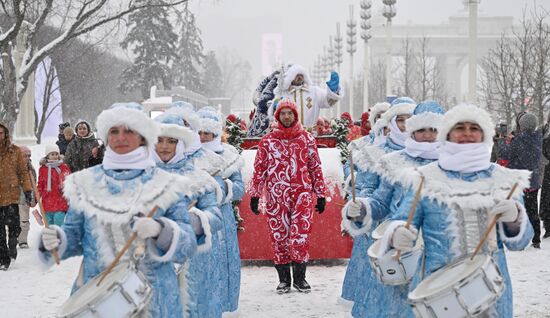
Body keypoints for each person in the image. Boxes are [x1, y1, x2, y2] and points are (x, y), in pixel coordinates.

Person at [38, 103, 198, 317]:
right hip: (97, 298)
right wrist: (57, 240)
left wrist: (162, 230)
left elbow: (187, 246)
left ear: (142, 136)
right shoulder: (83, 183)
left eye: (129, 130)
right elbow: (74, 236)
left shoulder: (166, 184)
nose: (120, 137)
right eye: (114, 131)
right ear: (106, 136)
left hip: (156, 299)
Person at [380, 104, 534, 317]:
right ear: (448, 134)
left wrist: (515, 218)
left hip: (491, 293)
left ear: (484, 135)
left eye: (474, 128)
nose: (467, 133)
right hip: (435, 292)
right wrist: (397, 234)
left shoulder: (505, 181)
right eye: (460, 127)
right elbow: (403, 220)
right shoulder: (425, 178)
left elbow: (520, 243)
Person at [343, 101, 444, 317]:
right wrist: (362, 208)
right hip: (399, 248)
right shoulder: (393, 162)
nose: (427, 135)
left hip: (439, 254)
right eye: (421, 129)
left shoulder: (455, 165)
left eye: (433, 129)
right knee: (395, 307)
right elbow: (380, 203)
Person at [339, 98, 415, 305]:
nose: (406, 125)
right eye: (401, 120)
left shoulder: (426, 153)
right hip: (381, 229)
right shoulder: (378, 153)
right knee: (382, 287)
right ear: (391, 123)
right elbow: (369, 189)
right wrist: (363, 208)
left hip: (415, 233)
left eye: (411, 119)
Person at [249, 99, 326, 294]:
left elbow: (315, 168)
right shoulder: (268, 141)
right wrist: (255, 194)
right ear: (278, 116)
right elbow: (260, 169)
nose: (286, 116)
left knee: (300, 237)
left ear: (295, 115)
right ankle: (284, 280)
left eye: (289, 113)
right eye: (282, 113)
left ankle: (300, 279)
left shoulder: (307, 139)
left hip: (302, 196)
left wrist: (320, 194)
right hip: (276, 197)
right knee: (279, 237)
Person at [153, 112, 225, 318]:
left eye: (172, 141)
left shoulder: (198, 178)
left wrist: (192, 222)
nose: (165, 146)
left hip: (191, 265)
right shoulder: (141, 177)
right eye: (160, 140)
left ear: (182, 144)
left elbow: (215, 216)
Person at [197, 107, 245, 314]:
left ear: (216, 133)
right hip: (199, 216)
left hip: (223, 218)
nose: (202, 137)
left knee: (225, 263)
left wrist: (222, 188)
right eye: (199, 132)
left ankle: (226, 304)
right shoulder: (190, 156)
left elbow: (240, 189)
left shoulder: (230, 156)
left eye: (207, 133)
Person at [498, 112, 542, 248]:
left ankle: (521, 237)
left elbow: (505, 153)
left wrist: (502, 141)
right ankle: (536, 238)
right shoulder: (538, 138)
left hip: (519, 181)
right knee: (533, 210)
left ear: (521, 125)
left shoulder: (518, 140)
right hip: (533, 180)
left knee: (518, 210)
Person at [0, 122, 32, 270]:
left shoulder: (15, 151)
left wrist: (27, 190)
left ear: (6, 134)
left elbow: (23, 172)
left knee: (14, 228)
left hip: (12, 195)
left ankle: (12, 244)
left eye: (1, 133)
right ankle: (3, 259)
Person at [272, 64, 342, 129]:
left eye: (301, 75)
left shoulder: (314, 91)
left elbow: (328, 102)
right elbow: (275, 113)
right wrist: (275, 107)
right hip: (288, 135)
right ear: (291, 77)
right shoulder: (284, 93)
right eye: (296, 75)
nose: (299, 77)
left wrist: (333, 90)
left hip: (310, 134)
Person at [37, 144, 71, 227]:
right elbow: (41, 183)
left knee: (58, 222)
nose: (55, 156)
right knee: (49, 225)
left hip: (60, 200)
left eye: (56, 154)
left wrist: (64, 181)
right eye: (52, 154)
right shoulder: (43, 168)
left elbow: (69, 182)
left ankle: (60, 238)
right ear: (47, 155)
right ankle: (52, 239)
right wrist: (37, 194)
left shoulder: (63, 167)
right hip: (47, 201)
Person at [17, 146, 36, 249]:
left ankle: (23, 241)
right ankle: (11, 239)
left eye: (29, 156)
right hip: (12, 199)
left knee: (24, 221)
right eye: (25, 155)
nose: (27, 158)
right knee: (11, 222)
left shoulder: (30, 169)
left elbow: (34, 185)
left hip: (25, 199)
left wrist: (33, 198)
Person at [540, 115, 550, 239]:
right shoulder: (544, 133)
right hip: (548, 171)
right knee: (547, 199)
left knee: (547, 199)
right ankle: (548, 226)